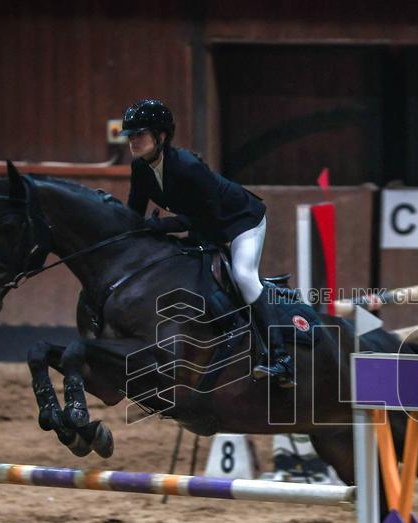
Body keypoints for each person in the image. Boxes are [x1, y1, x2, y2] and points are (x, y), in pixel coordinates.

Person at [121, 98, 294, 388]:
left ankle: (280, 358)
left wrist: (161, 225)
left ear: (161, 136)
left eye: (140, 134)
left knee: (243, 275)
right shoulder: (140, 169)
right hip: (202, 226)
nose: (133, 141)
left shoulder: (188, 166)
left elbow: (208, 217)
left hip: (240, 221)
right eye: (131, 135)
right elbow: (133, 215)